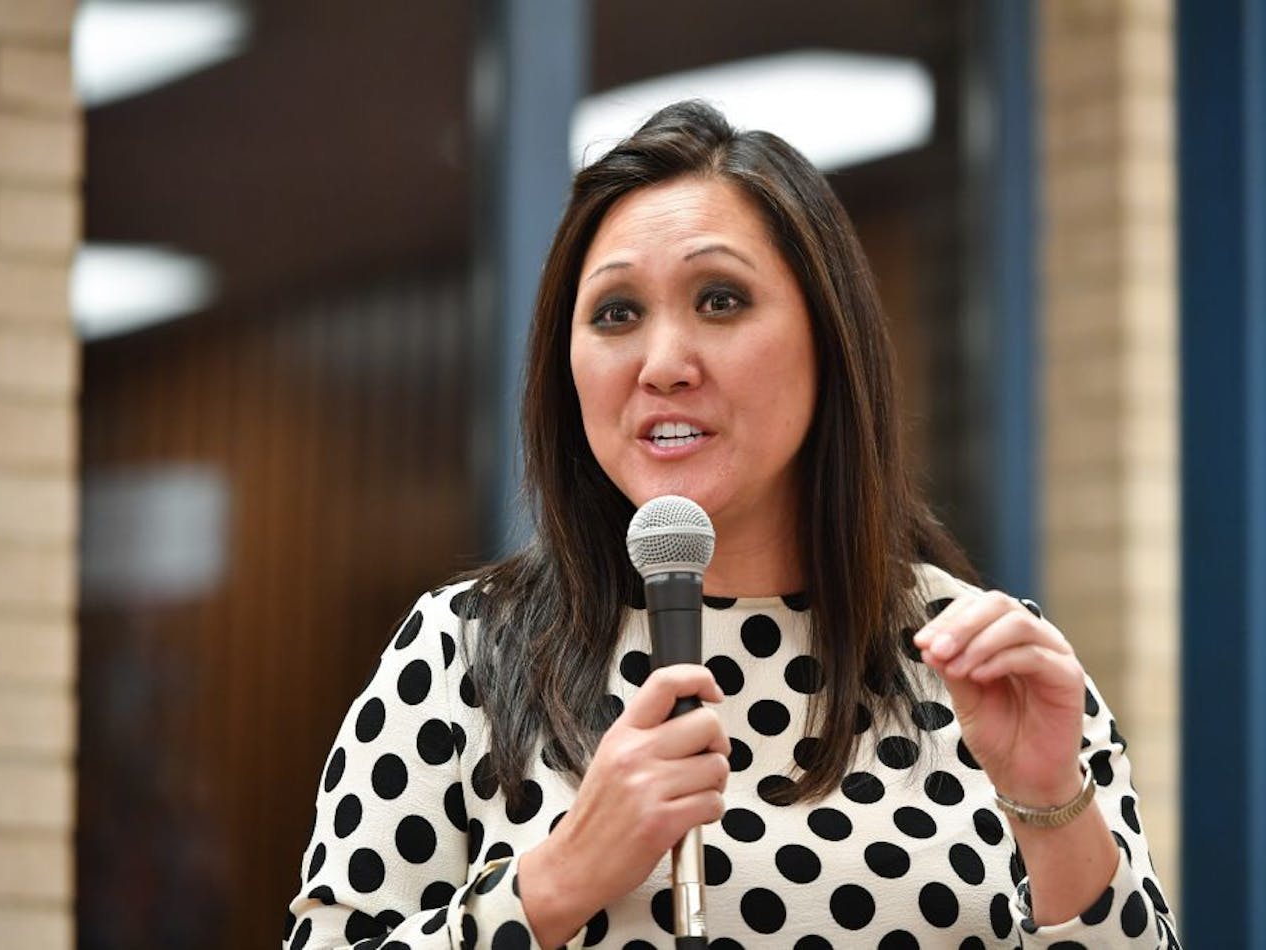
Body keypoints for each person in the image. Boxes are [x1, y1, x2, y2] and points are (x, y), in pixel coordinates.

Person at [284, 100, 1180, 949]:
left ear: (829, 339)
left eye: (720, 299)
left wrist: (1051, 804)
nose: (663, 364)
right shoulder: (464, 654)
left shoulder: (988, 664)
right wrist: (553, 882)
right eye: (616, 313)